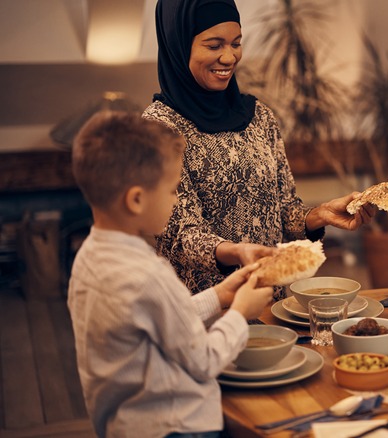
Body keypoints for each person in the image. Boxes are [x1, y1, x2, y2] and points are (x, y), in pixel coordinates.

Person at [143, 0, 374, 298]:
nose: (229, 57)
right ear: (178, 45)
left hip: (267, 303)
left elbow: (283, 212)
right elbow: (178, 236)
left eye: (236, 43)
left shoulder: (259, 116)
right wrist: (238, 252)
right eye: (214, 46)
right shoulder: (158, 128)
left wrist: (320, 215)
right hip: (200, 315)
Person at [68, 111, 275, 437]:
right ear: (136, 199)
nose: (175, 199)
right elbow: (204, 360)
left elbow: (159, 321)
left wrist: (220, 295)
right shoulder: (149, 274)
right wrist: (240, 312)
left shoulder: (88, 260)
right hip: (179, 427)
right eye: (172, 190)